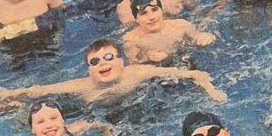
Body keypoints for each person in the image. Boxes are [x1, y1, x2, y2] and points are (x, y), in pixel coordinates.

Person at [21, 38, 226, 112]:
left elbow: (193, 74)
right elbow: (36, 91)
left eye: (109, 57)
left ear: (122, 62)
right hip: (93, 111)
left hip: (135, 102)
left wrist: (212, 91)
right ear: (89, 71)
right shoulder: (80, 87)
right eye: (95, 62)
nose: (102, 63)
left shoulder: (137, 73)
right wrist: (2, 97)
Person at [121, 0, 216, 64]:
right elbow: (134, 65)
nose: (151, 17)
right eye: (143, 13)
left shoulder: (181, 25)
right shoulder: (131, 40)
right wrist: (147, 57)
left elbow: (198, 36)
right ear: (136, 19)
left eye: (154, 10)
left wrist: (206, 37)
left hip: (187, 59)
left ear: (161, 11)